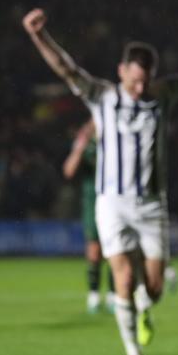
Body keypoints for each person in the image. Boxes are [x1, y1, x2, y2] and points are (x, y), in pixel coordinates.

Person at [22, 8, 178, 355]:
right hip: (111, 204)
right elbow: (65, 68)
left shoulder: (161, 95)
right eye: (134, 80)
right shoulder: (101, 96)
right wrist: (40, 36)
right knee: (122, 276)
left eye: (144, 81)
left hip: (151, 205)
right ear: (121, 72)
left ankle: (144, 307)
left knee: (153, 288)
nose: (139, 88)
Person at [63, 119, 116, 313]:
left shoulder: (114, 140)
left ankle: (113, 295)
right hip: (92, 202)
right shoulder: (86, 144)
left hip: (113, 201)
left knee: (114, 250)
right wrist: (79, 148)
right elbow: (68, 171)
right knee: (94, 250)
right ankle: (93, 296)